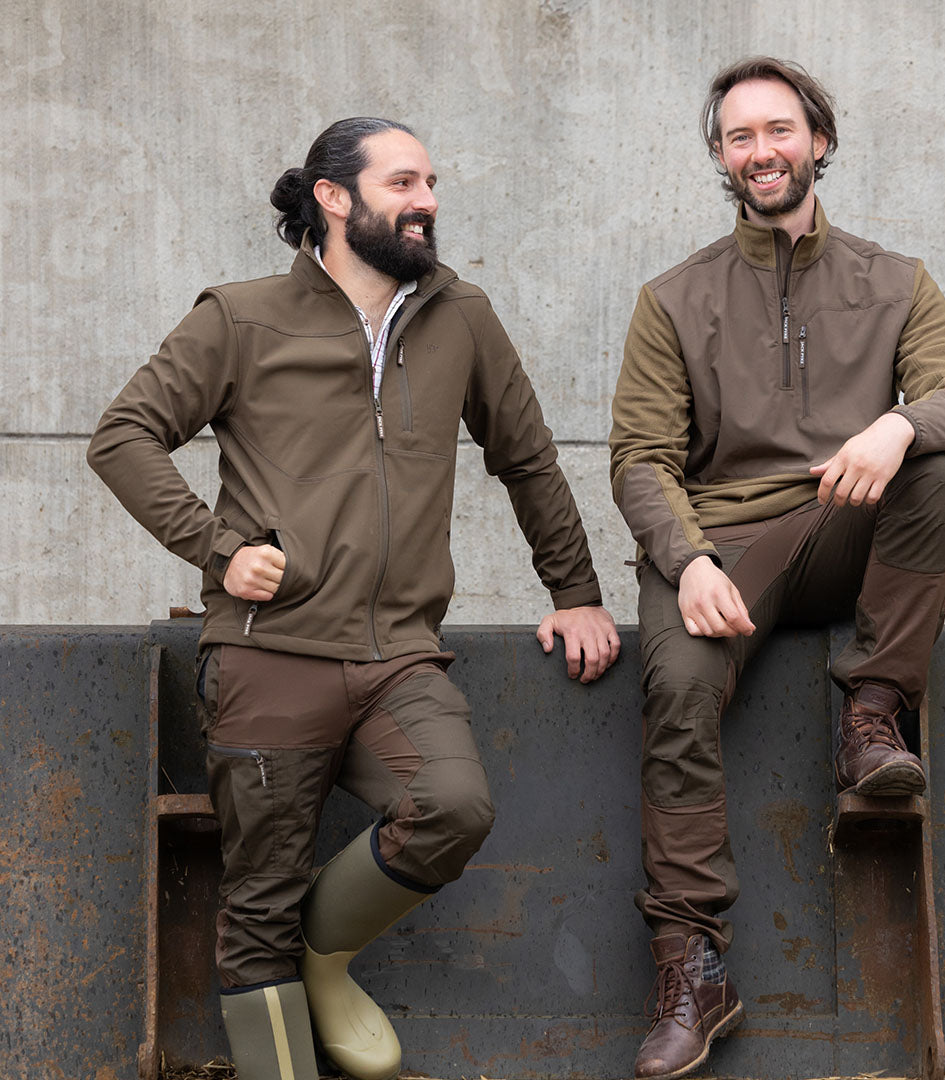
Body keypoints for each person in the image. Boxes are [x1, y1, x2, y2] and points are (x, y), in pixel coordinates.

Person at [88, 117, 620, 1080]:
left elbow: (529, 461)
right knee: (257, 905)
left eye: (432, 182)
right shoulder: (240, 317)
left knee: (452, 806)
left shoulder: (462, 316)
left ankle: (324, 958)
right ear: (334, 198)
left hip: (399, 660)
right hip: (267, 657)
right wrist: (218, 549)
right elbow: (123, 435)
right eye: (404, 181)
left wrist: (576, 592)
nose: (427, 201)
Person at [609, 57, 945, 1079]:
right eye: (740, 137)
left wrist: (897, 426)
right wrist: (686, 561)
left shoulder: (896, 280)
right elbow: (640, 459)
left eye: (779, 131)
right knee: (678, 692)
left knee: (936, 474)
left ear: (819, 140)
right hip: (723, 551)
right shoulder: (673, 298)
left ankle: (872, 719)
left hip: (843, 525)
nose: (761, 151)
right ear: (722, 158)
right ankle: (693, 964)